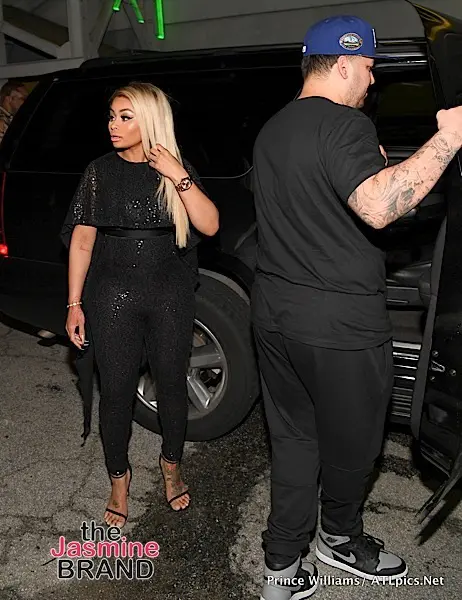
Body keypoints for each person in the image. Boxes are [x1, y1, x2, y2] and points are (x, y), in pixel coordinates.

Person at [252, 15, 462, 600]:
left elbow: (320, 205)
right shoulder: (344, 123)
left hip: (275, 316)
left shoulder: (274, 127)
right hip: (340, 327)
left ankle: (281, 569)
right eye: (369, 68)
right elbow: (377, 208)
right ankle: (339, 539)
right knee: (353, 450)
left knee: (294, 442)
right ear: (343, 64)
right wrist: (449, 137)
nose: (372, 80)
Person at [61, 82, 219, 527]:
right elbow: (82, 241)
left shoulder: (174, 168)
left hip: (169, 294)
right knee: (115, 392)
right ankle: (119, 478)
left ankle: (171, 466)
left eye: (125, 117)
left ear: (149, 120)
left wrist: (176, 173)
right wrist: (74, 303)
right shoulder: (99, 171)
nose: (114, 124)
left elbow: (209, 224)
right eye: (112, 116)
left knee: (171, 386)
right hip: (111, 295)